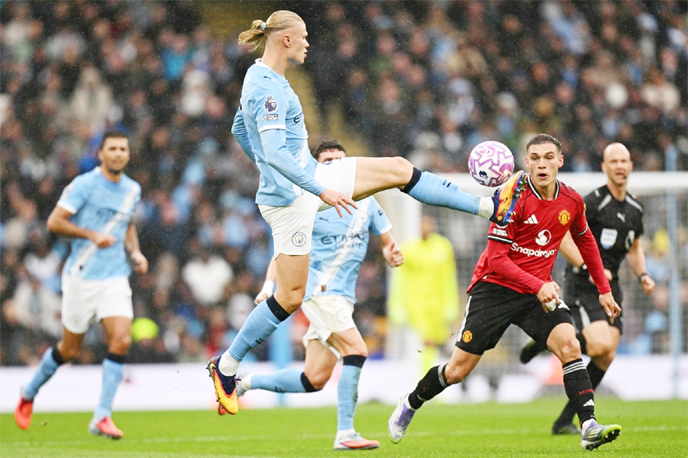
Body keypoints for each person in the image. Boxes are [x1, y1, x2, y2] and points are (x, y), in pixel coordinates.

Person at [207, 10, 527, 417]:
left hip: (305, 181)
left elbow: (240, 130)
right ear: (285, 39)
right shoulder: (266, 86)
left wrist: (291, 176)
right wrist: (316, 187)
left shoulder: (266, 79)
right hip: (292, 199)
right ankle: (226, 367)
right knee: (288, 297)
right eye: (303, 36)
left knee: (398, 168)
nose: (308, 43)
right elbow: (273, 152)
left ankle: (487, 207)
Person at [387, 134, 623, 451]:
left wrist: (604, 289)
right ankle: (411, 402)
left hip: (535, 294)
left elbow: (586, 240)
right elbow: (497, 260)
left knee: (570, 345)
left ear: (560, 161)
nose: (542, 164)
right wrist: (539, 284)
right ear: (526, 162)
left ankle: (589, 426)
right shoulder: (511, 199)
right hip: (494, 290)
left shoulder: (571, 200)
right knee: (457, 371)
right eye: (535, 158)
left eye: (548, 157)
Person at [225, 140, 403, 451]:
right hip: (319, 292)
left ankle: (245, 383)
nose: (335, 165)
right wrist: (268, 286)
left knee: (314, 379)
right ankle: (346, 432)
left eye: (340, 160)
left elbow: (387, 240)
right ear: (317, 168)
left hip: (343, 298)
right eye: (328, 161)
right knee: (356, 350)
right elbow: (285, 252)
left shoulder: (367, 201)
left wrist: (391, 251)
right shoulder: (310, 203)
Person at [14, 130, 148, 439]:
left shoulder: (133, 189)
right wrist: (91, 235)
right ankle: (29, 391)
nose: (118, 153)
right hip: (81, 277)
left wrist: (136, 252)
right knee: (69, 349)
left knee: (121, 340)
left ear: (128, 154)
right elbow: (54, 222)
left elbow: (126, 223)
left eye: (122, 149)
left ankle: (102, 416)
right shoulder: (84, 185)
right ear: (101, 154)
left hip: (114, 276)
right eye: (112, 149)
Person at [519, 142, 655, 434]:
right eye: (613, 161)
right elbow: (562, 236)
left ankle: (563, 421)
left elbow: (634, 248)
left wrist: (643, 274)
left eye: (624, 161)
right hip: (582, 284)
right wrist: (586, 267)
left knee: (606, 355)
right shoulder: (592, 202)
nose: (619, 166)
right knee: (600, 345)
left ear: (631, 166)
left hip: (610, 285)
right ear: (604, 167)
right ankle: (549, 338)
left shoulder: (635, 208)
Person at [388, 215, 459, 374]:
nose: (426, 228)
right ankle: (424, 377)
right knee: (425, 342)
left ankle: (430, 375)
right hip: (416, 305)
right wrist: (397, 305)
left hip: (438, 305)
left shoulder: (443, 247)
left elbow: (449, 277)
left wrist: (451, 304)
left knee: (434, 343)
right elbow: (400, 279)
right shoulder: (409, 249)